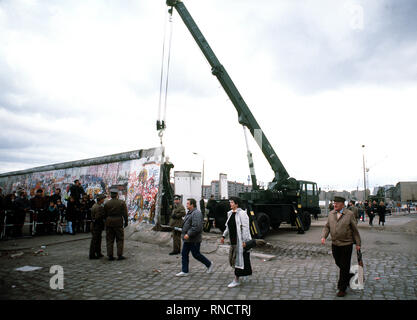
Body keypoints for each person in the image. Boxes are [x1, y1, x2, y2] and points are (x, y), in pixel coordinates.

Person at [321, 196, 361, 297]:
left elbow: (355, 230)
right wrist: (324, 236)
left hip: (346, 244)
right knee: (339, 263)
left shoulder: (349, 214)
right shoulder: (331, 214)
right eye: (334, 203)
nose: (335, 205)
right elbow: (327, 226)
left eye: (337, 203)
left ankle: (342, 288)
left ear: (343, 204)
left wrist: (358, 244)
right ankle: (348, 275)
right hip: (335, 244)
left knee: (344, 265)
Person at [176, 198, 213, 277]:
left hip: (194, 239)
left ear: (192, 205)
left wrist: (188, 234)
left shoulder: (196, 213)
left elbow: (197, 227)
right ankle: (184, 271)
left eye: (188, 204)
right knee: (184, 253)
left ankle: (209, 264)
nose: (186, 205)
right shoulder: (190, 213)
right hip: (188, 239)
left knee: (196, 254)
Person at [220, 196, 253, 288]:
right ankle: (245, 273)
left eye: (232, 202)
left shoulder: (242, 214)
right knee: (235, 260)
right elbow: (228, 227)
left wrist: (245, 241)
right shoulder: (230, 213)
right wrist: (223, 236)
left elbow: (246, 228)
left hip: (240, 241)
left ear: (237, 204)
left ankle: (236, 279)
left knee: (238, 260)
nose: (230, 204)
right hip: (233, 241)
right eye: (230, 202)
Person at [104, 187, 129, 261]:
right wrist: (126, 222)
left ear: (111, 195)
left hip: (109, 221)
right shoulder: (121, 203)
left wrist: (106, 221)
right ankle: (119, 255)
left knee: (109, 239)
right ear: (117, 194)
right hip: (118, 221)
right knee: (120, 239)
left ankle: (110, 255)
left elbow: (104, 214)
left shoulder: (107, 203)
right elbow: (125, 214)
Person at [89, 194, 106, 259]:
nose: (103, 200)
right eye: (103, 199)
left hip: (95, 224)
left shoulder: (95, 205)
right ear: (101, 200)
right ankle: (92, 254)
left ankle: (98, 252)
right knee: (95, 240)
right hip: (97, 225)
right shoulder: (99, 207)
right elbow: (98, 217)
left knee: (98, 239)